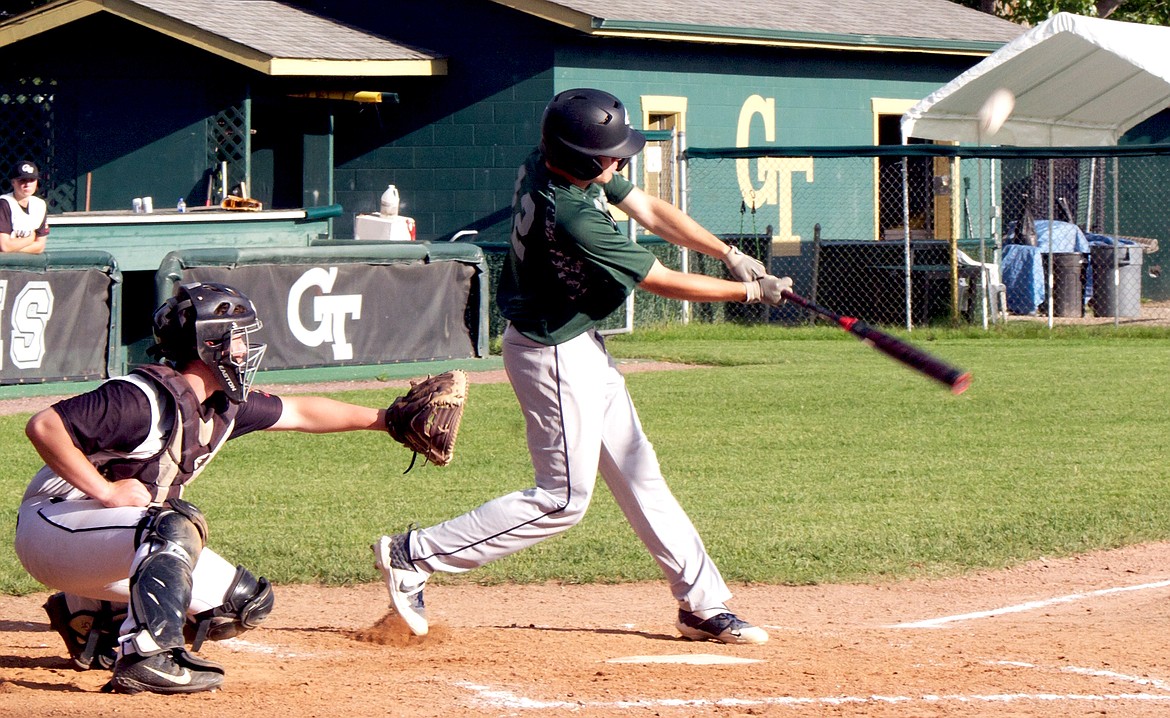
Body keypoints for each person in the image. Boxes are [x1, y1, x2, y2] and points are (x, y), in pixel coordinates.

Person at [373, 88, 792, 645]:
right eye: (611, 154)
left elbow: (646, 208)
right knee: (564, 499)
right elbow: (659, 279)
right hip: (552, 355)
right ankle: (414, 553)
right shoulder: (570, 214)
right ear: (581, 159)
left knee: (641, 472)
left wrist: (727, 253)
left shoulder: (553, 162)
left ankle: (700, 604)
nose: (620, 162)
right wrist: (747, 295)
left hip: (577, 342)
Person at [15, 282, 391, 695]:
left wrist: (387, 419)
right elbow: (44, 426)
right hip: (52, 529)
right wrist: (104, 492)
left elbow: (302, 411)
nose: (246, 350)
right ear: (209, 344)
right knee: (173, 525)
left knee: (239, 606)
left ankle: (89, 620)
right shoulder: (139, 399)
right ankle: (147, 656)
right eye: (239, 338)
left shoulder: (220, 404)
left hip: (102, 546)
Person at [1, 160, 48, 254]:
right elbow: (4, 246)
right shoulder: (4, 203)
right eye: (22, 180)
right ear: (13, 182)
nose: (27, 184)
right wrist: (30, 239)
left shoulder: (40, 205)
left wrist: (14, 247)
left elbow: (40, 247)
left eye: (32, 180)